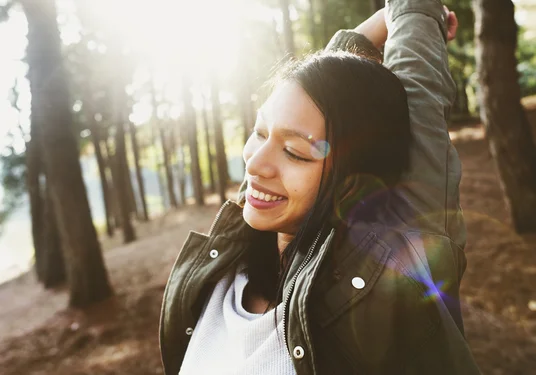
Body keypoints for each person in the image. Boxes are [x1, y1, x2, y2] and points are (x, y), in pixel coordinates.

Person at [159, 0, 482, 374]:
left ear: (354, 181)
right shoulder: (225, 265)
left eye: (294, 153)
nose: (255, 163)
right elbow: (323, 95)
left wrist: (416, 13)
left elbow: (418, 97)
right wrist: (386, 18)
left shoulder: (389, 273)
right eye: (260, 132)